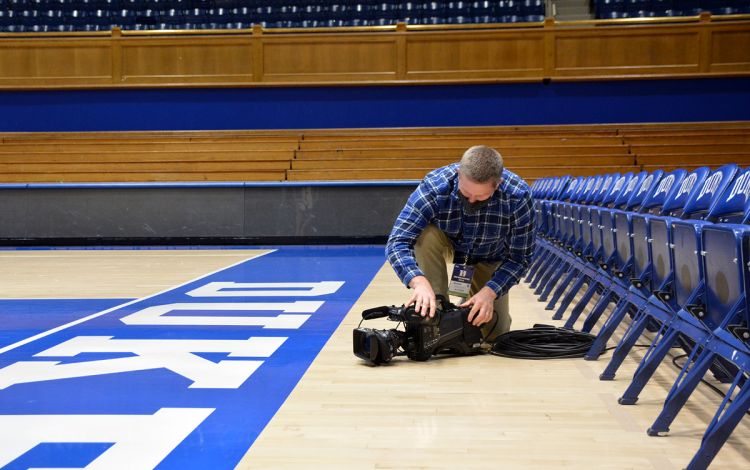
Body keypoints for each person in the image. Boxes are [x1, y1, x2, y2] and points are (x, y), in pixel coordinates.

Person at [385, 145, 535, 342]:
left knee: (495, 334)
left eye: (480, 196)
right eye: (465, 194)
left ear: (497, 184)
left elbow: (520, 258)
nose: (471, 201)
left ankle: (470, 301)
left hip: (489, 256)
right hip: (448, 245)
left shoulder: (518, 196)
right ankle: (435, 308)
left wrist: (490, 293)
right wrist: (418, 282)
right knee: (425, 235)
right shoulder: (435, 186)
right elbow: (397, 241)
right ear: (458, 174)